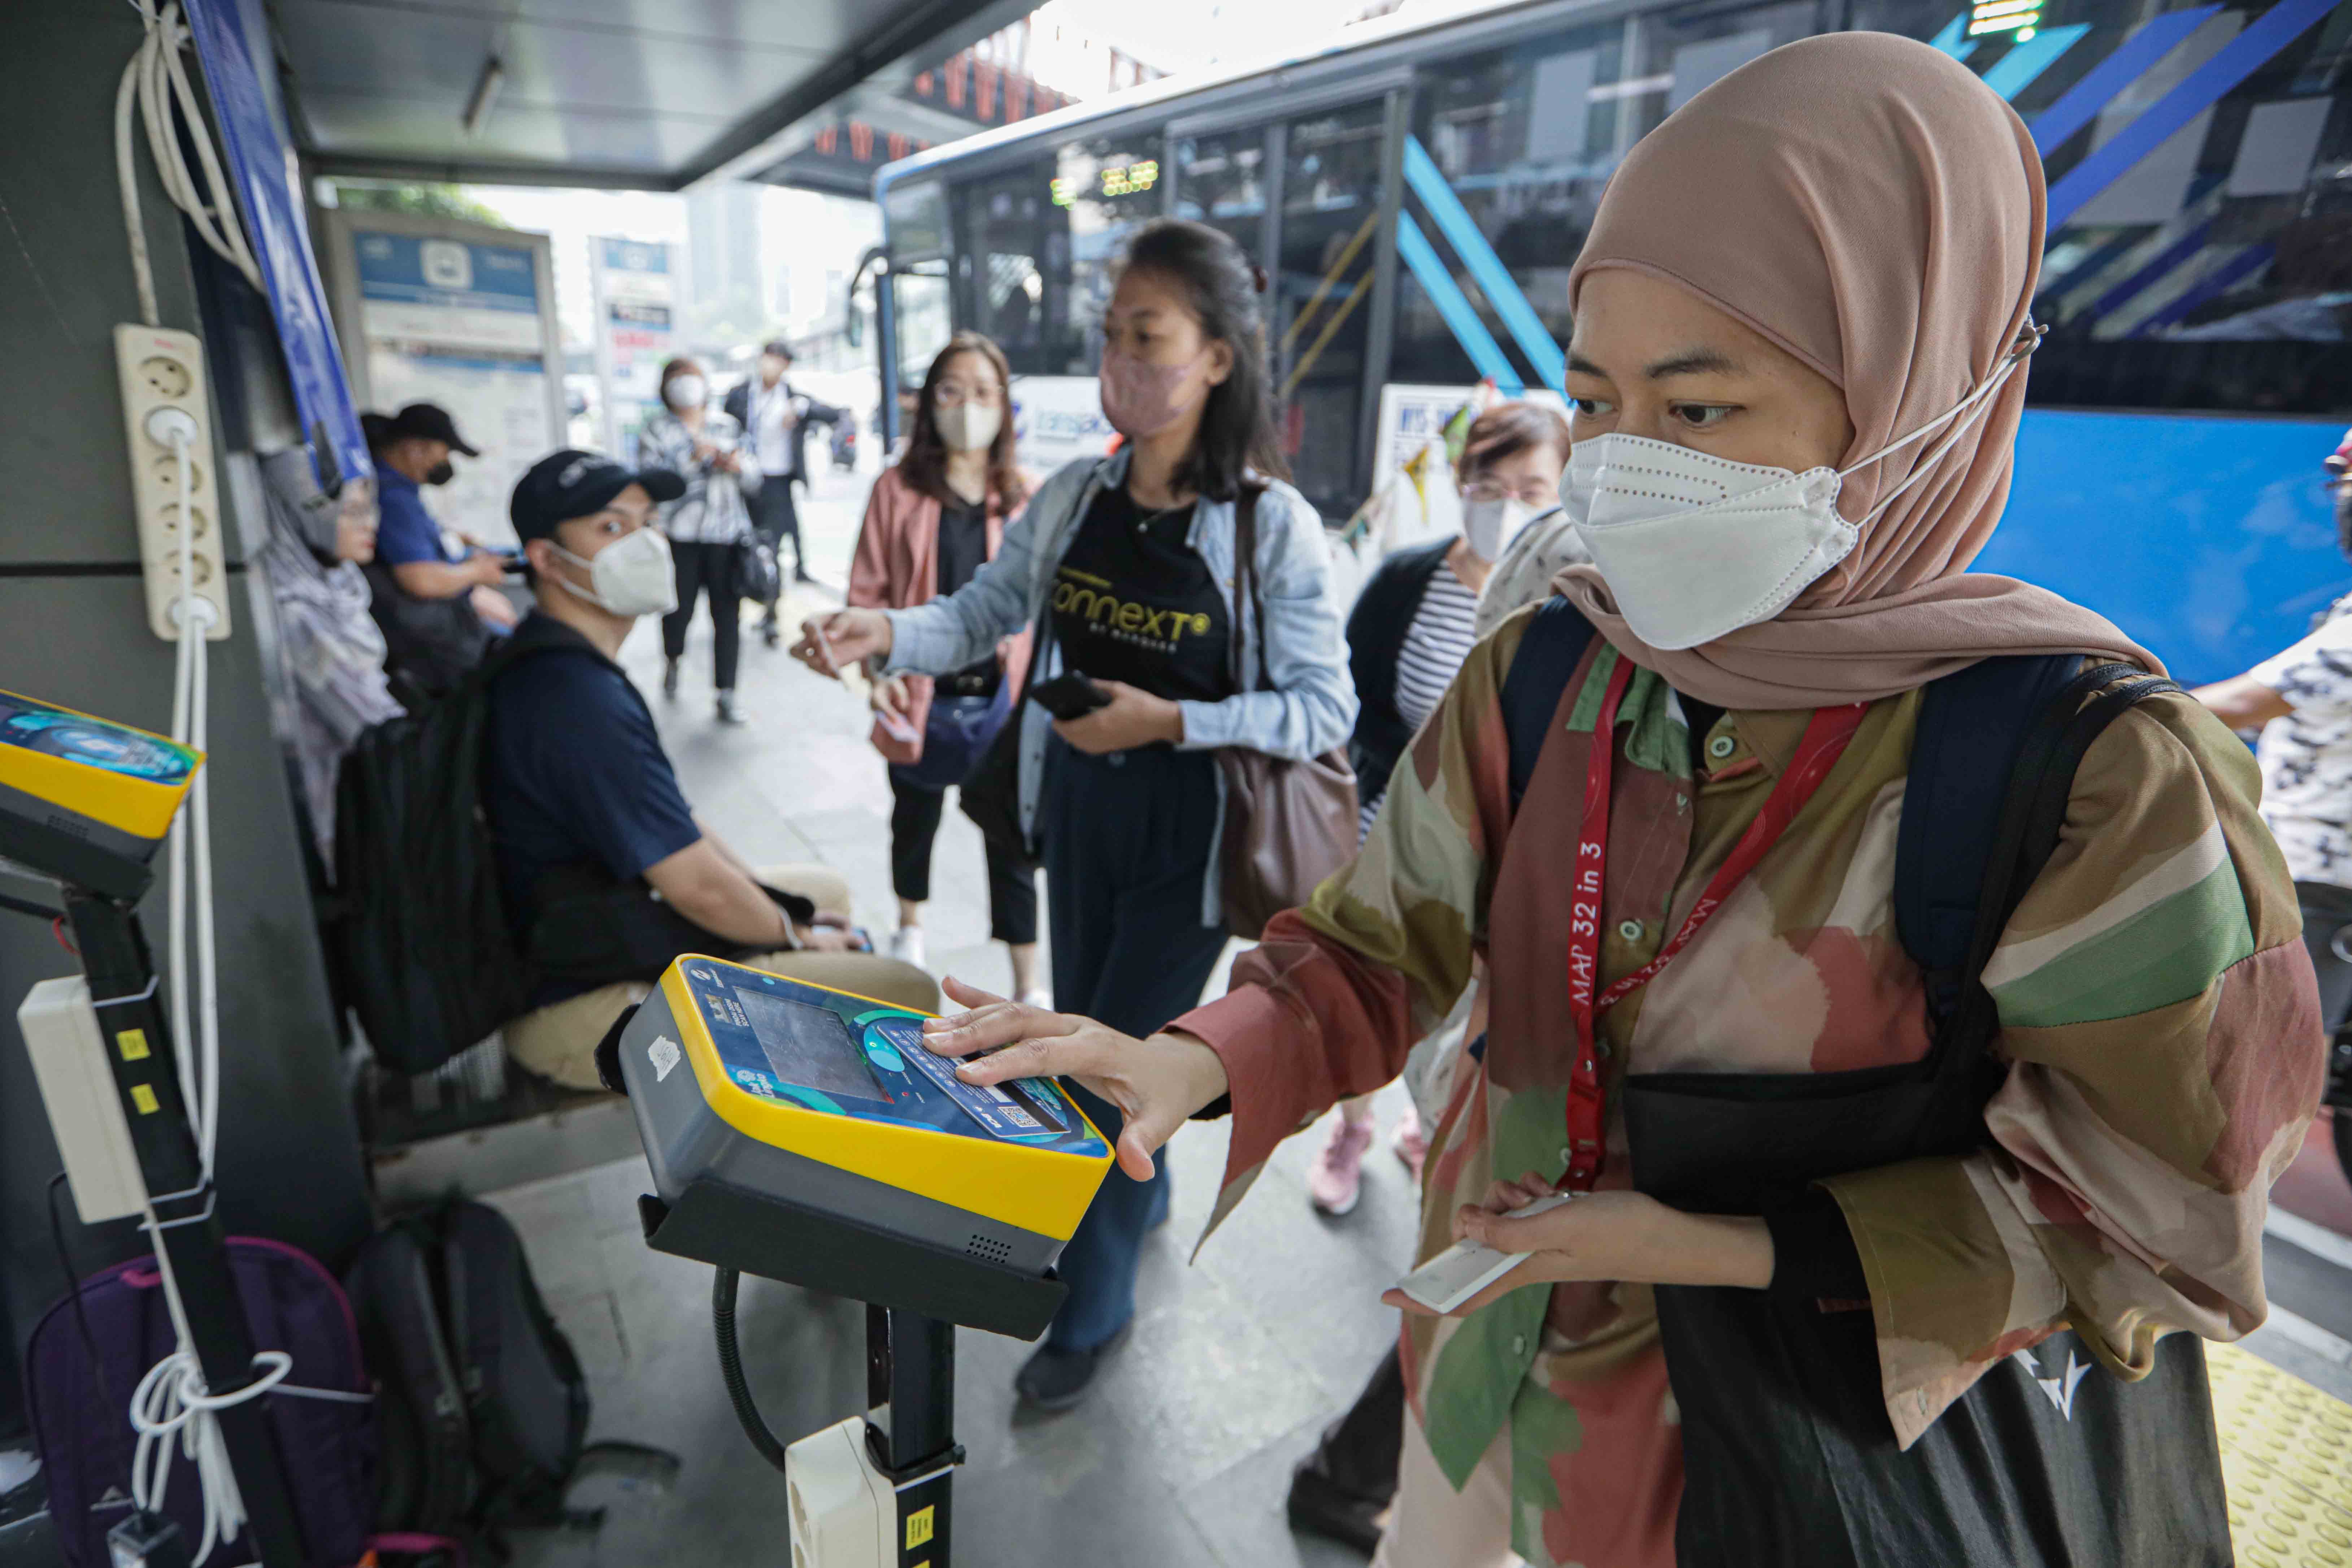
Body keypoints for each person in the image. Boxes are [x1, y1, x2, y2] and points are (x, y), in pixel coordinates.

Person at [912, 37, 2323, 1568]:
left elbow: (2155, 1226)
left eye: (1700, 413)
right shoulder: (1552, 664)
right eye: (1594, 400)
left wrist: (1724, 1249)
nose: (1623, 468)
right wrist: (1186, 1060)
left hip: (1785, 1473)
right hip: (1481, 1375)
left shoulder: (2098, 780)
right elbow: (1384, 946)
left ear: (1926, 391)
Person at [795, 218, 1356, 1412]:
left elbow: (1321, 709)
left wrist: (1171, 722)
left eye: (1144, 337)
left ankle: (1090, 1312)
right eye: (1109, 336)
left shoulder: (1270, 527)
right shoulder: (1076, 492)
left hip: (1184, 837)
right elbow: (985, 608)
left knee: (1097, 1066)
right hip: (1076, 811)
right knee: (1099, 1035)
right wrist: (881, 631)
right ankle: (1134, 1205)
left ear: (1214, 357)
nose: (1119, 361)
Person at [484, 449, 935, 1090]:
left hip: (596, 923)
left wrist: (788, 915)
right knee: (905, 991)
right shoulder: (571, 697)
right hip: (574, 1002)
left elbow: (679, 824)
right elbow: (696, 885)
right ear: (546, 559)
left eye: (647, 521)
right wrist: (792, 936)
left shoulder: (569, 663)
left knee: (823, 893)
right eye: (611, 529)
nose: (644, 543)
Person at [1309, 399, 1573, 1218]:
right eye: (1490, 485)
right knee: (1371, 993)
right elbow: (1349, 701)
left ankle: (1428, 1122)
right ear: (1460, 485)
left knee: (1463, 1014)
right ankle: (1351, 1126)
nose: (1508, 506)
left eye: (1532, 487)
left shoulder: (1569, 602)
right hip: (1390, 823)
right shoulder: (1402, 579)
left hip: (1507, 856)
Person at [847, 331, 1046, 1004]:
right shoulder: (896, 489)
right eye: (952, 389)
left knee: (1012, 839)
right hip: (918, 692)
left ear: (1006, 405)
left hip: (1003, 698)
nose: (968, 405)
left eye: (985, 391)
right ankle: (911, 933)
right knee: (915, 816)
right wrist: (877, 669)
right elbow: (868, 591)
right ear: (929, 402)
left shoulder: (1027, 495)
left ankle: (1028, 981)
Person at [2192, 426, 2352, 1186]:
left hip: (2324, 881)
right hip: (2319, 866)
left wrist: (2116, 702)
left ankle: (2235, 1207)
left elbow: (2236, 702)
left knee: (2277, 1063)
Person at [254, 448, 403, 863]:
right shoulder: (298, 615)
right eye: (350, 512)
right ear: (300, 516)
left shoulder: (336, 587)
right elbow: (372, 726)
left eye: (369, 508)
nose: (370, 523)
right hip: (339, 816)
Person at [363, 403, 515, 699]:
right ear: (414, 450)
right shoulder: (393, 497)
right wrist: (477, 573)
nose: (445, 462)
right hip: (436, 643)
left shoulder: (399, 489)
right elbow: (420, 580)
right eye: (443, 452)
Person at [641, 358, 761, 725]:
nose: (686, 387)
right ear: (665, 387)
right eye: (677, 380)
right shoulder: (656, 430)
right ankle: (673, 659)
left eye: (691, 379)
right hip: (681, 536)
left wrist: (736, 466)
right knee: (679, 610)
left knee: (727, 616)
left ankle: (727, 692)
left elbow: (755, 479)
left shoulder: (727, 425)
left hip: (727, 536)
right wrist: (692, 461)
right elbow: (652, 484)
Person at [725, 339, 844, 616]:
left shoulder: (791, 396)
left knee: (772, 545)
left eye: (780, 360)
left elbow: (833, 414)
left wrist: (800, 408)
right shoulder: (740, 395)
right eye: (770, 357)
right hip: (743, 480)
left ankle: (770, 609)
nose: (772, 364)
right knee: (743, 544)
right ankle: (746, 596)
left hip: (778, 481)